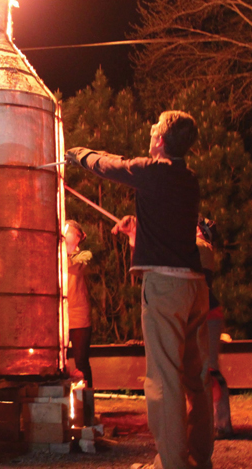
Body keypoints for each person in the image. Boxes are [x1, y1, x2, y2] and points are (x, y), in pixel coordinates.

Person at [67, 110, 213, 469]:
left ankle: (172, 464)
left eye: (153, 131)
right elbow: (170, 228)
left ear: (160, 140)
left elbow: (110, 164)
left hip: (166, 287)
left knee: (163, 380)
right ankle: (198, 458)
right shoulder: (187, 179)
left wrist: (78, 153)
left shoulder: (153, 171)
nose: (149, 136)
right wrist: (139, 232)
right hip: (194, 285)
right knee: (194, 377)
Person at [196, 217, 233, 439]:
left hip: (208, 314)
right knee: (202, 370)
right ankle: (211, 421)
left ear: (202, 232)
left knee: (210, 369)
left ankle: (222, 423)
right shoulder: (197, 247)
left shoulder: (202, 248)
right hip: (203, 314)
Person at [64, 220, 94, 388]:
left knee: (81, 361)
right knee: (59, 362)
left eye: (70, 232)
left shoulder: (85, 255)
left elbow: (74, 267)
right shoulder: (54, 254)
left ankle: (87, 402)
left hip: (79, 315)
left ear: (79, 237)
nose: (66, 235)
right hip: (60, 315)